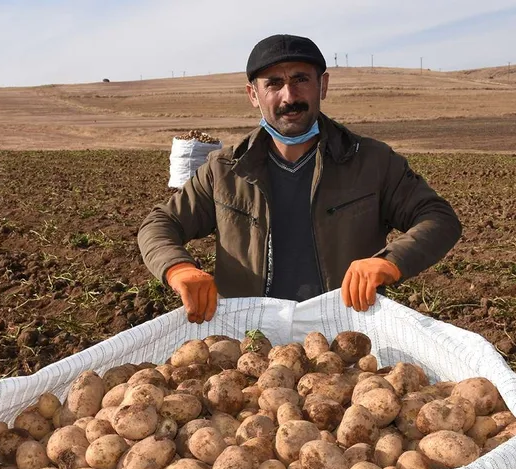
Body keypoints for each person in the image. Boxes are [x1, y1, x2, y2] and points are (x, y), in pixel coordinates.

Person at [138, 34, 461, 323]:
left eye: (301, 79)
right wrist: (178, 268)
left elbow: (439, 218)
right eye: (274, 83)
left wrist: (391, 261)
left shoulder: (372, 162)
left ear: (323, 85)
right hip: (247, 337)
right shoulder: (224, 169)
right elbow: (160, 224)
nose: (289, 96)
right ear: (253, 94)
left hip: (346, 332)